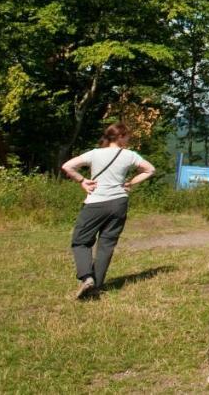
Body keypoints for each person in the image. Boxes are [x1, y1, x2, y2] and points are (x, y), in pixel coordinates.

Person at [61, 122, 155, 300]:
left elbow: (67, 166)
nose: (128, 140)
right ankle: (96, 286)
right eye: (127, 136)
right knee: (107, 244)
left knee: (80, 241)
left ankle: (87, 277)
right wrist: (131, 183)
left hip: (96, 202)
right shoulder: (130, 156)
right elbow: (150, 170)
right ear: (120, 136)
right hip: (119, 202)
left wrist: (82, 180)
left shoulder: (95, 154)